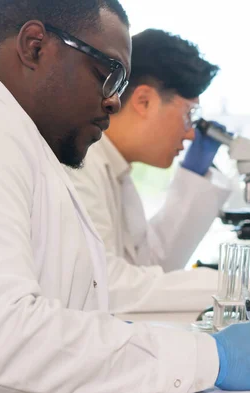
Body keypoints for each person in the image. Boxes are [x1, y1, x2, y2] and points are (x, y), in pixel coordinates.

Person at [0, 1, 250, 392]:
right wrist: (208, 357)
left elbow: (94, 290)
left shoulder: (20, 140)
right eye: (110, 75)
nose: (114, 101)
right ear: (35, 46)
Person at [67, 29, 232, 314]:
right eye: (188, 115)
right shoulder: (82, 166)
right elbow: (107, 285)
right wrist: (229, 287)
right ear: (143, 101)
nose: (191, 134)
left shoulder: (117, 170)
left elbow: (149, 264)